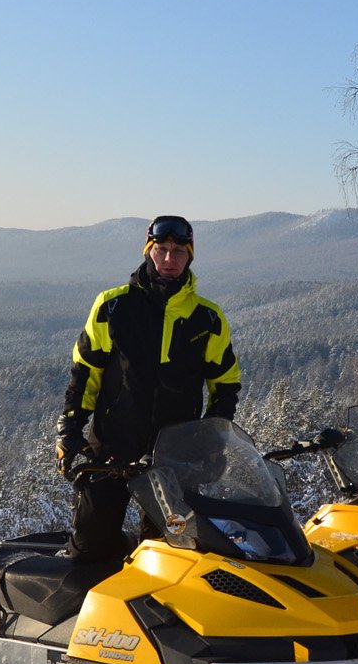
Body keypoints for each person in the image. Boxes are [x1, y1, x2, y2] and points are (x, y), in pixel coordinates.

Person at [55, 214, 240, 562]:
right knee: (90, 550)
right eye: (162, 250)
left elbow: (225, 387)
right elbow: (85, 373)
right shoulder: (113, 306)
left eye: (178, 252)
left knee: (170, 559)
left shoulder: (208, 319)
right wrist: (69, 426)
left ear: (190, 256)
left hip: (174, 455)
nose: (169, 259)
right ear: (148, 251)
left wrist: (214, 440)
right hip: (111, 446)